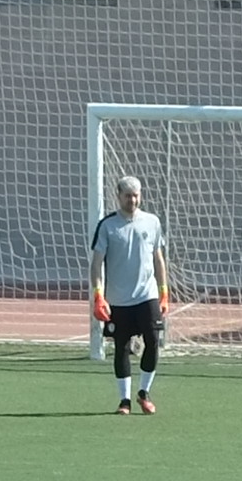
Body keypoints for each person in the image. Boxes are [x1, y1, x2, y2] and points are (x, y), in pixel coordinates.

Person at [91, 173, 183, 414]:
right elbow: (97, 262)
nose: (132, 200)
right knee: (121, 346)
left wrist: (164, 291)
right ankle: (124, 401)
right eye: (127, 196)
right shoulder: (108, 226)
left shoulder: (152, 222)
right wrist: (98, 294)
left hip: (147, 295)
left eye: (135, 196)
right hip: (118, 300)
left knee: (153, 341)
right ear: (118, 196)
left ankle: (144, 392)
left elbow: (158, 258)